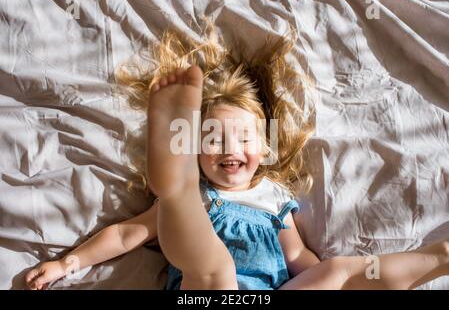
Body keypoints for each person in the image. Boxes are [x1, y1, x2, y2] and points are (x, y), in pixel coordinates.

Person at [25, 24, 449, 290]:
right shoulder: (205, 198)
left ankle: (441, 257)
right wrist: (70, 262)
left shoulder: (275, 202)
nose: (230, 149)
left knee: (339, 270)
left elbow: (300, 261)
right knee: (217, 270)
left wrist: (324, 276)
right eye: (213, 138)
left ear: (266, 146)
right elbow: (125, 236)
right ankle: (175, 189)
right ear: (195, 153)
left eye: (244, 137)